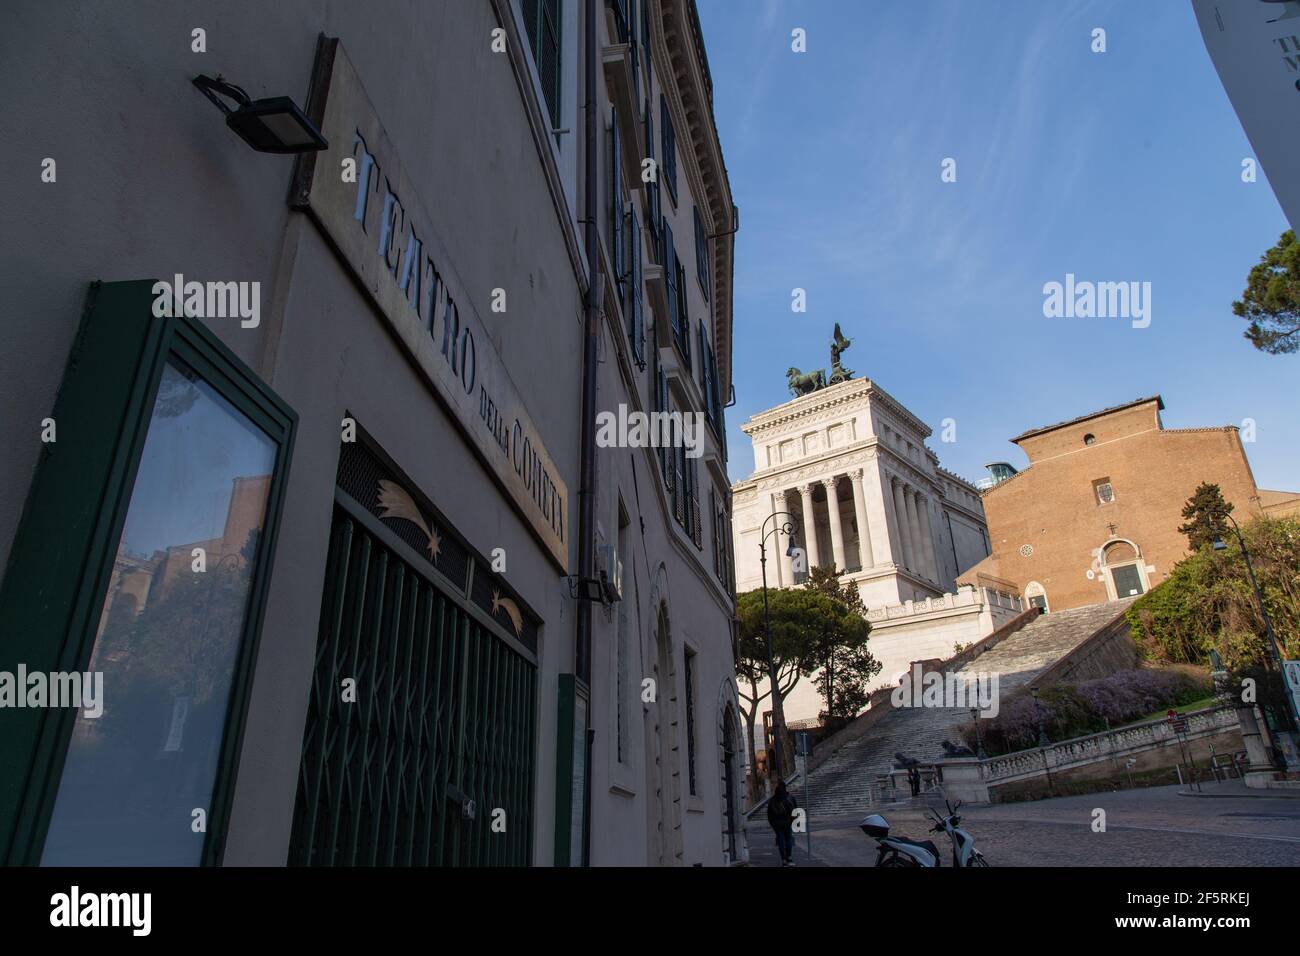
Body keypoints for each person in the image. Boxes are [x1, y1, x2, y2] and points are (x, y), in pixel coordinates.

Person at [767, 778, 798, 866]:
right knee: (788, 839)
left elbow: (769, 815)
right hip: (788, 822)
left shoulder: (772, 800)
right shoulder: (790, 798)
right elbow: (796, 810)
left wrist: (773, 825)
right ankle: (789, 857)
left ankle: (783, 859)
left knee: (781, 841)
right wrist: (794, 822)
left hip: (777, 824)